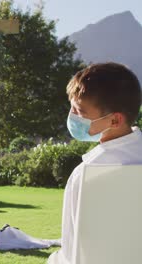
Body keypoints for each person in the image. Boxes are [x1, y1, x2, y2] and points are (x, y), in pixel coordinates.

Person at [48, 62, 142, 263]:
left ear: (115, 121)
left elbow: (71, 253)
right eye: (72, 107)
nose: (72, 116)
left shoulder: (85, 174)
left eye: (79, 111)